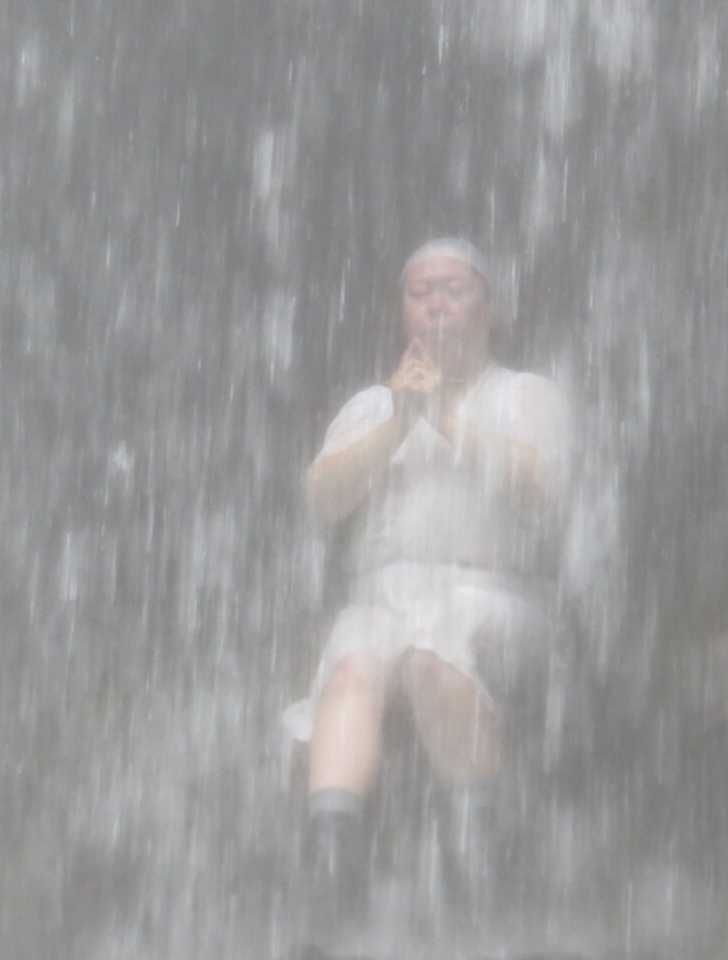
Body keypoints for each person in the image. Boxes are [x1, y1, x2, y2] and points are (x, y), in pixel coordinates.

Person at [284, 239, 571, 945]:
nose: (436, 304)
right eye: (420, 292)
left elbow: (543, 489)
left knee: (428, 652)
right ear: (401, 310)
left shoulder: (527, 393)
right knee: (353, 668)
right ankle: (332, 879)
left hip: (495, 593)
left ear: (490, 308)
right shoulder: (372, 404)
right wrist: (398, 422)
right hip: (381, 597)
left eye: (453, 289)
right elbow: (323, 499)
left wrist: (441, 416)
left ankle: (481, 878)